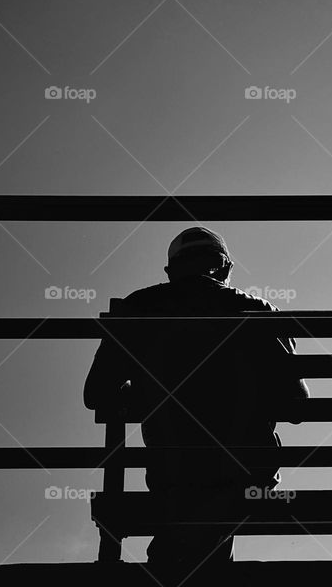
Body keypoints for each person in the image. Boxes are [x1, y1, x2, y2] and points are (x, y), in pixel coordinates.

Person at [84, 227, 308, 565]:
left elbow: (96, 393)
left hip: (173, 472)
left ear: (171, 272)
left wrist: (143, 390)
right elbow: (297, 404)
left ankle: (179, 586)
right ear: (225, 269)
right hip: (245, 473)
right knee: (214, 520)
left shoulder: (138, 307)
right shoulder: (259, 310)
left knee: (185, 536)